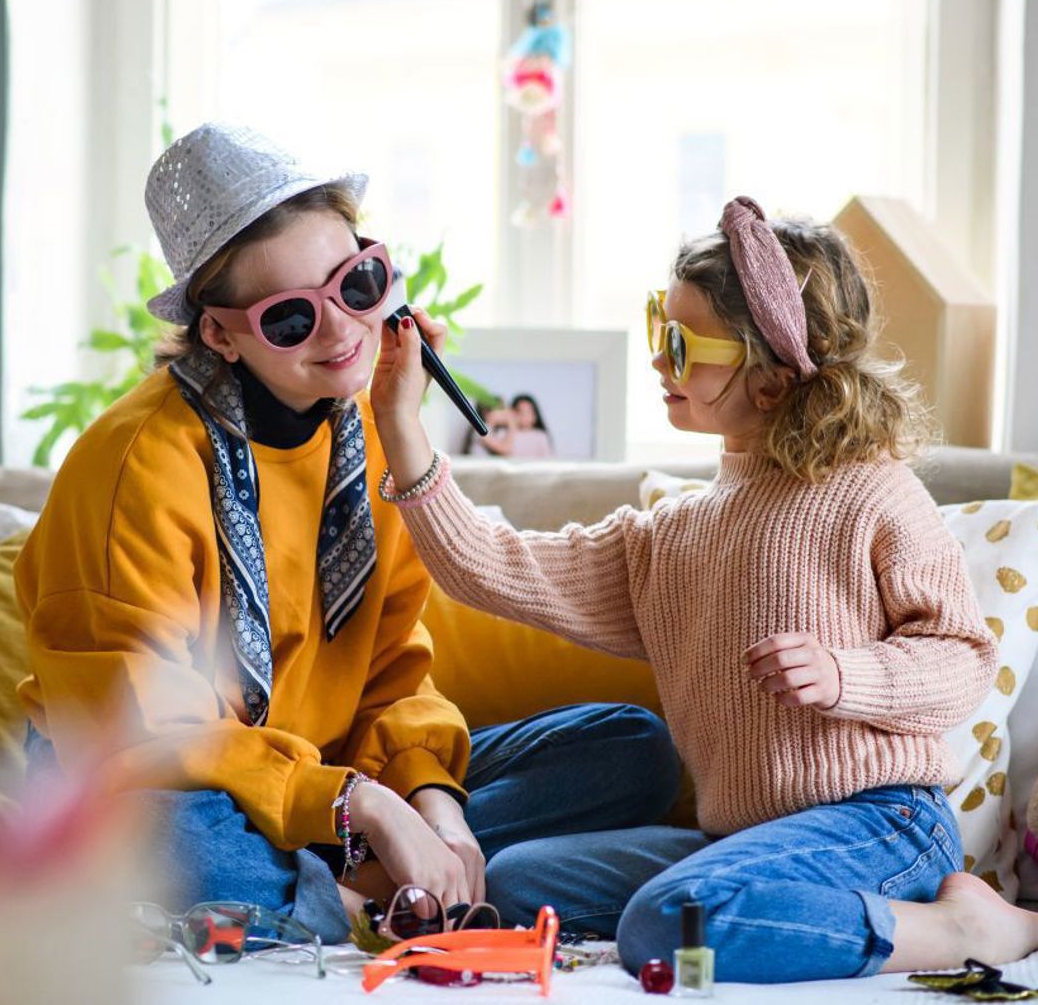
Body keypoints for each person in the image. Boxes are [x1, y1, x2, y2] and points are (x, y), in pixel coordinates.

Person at [13, 123, 684, 947]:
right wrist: (360, 804)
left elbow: (395, 667)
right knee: (169, 841)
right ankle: (364, 895)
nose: (341, 333)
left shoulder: (371, 429)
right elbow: (141, 728)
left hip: (322, 769)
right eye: (291, 319)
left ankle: (357, 884)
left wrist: (433, 801)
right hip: (158, 772)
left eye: (357, 284)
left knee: (632, 748)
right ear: (219, 333)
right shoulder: (134, 466)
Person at [369, 195, 1038, 983]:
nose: (659, 360)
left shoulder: (873, 493)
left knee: (665, 920)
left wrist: (846, 676)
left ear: (771, 376)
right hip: (743, 842)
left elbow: (960, 660)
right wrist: (397, 418)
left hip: (879, 825)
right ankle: (740, 906)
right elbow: (492, 565)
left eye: (683, 345)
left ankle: (969, 928)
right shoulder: (673, 533)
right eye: (661, 329)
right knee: (521, 881)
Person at [474, 394, 553, 458]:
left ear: (535, 416)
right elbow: (506, 450)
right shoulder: (486, 432)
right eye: (519, 411)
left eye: (528, 412)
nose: (505, 413)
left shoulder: (540, 436)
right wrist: (511, 423)